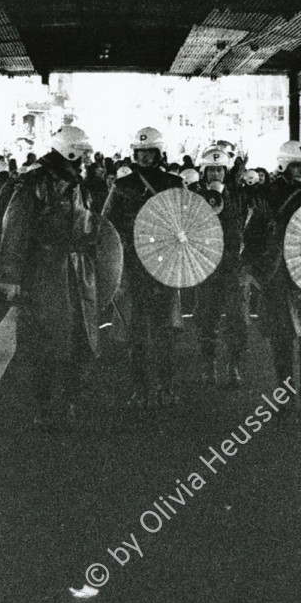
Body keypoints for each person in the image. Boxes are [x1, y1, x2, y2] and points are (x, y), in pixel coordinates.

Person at [0, 125, 101, 430]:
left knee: (81, 339)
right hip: (43, 274)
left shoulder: (76, 183)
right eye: (81, 155)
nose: (85, 161)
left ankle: (70, 401)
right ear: (70, 152)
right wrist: (11, 276)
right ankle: (44, 405)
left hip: (76, 272)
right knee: (43, 343)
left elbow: (88, 226)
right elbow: (14, 228)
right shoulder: (34, 183)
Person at [101, 126, 184, 406]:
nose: (145, 157)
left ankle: (166, 386)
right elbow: (106, 223)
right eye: (140, 152)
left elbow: (188, 220)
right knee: (136, 331)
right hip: (133, 265)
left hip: (164, 265)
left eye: (149, 152)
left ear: (158, 153)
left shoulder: (174, 182)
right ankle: (140, 388)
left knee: (165, 331)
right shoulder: (122, 185)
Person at [254, 140, 301, 409]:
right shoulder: (267, 194)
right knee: (282, 336)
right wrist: (259, 270)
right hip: (279, 270)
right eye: (296, 165)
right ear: (285, 165)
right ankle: (284, 389)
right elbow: (253, 234)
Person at [188, 146, 262, 388]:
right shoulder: (194, 196)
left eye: (220, 169)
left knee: (238, 319)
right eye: (211, 170)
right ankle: (208, 365)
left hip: (234, 265)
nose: (216, 174)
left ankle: (233, 364)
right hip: (207, 266)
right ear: (203, 172)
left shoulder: (239, 195)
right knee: (206, 318)